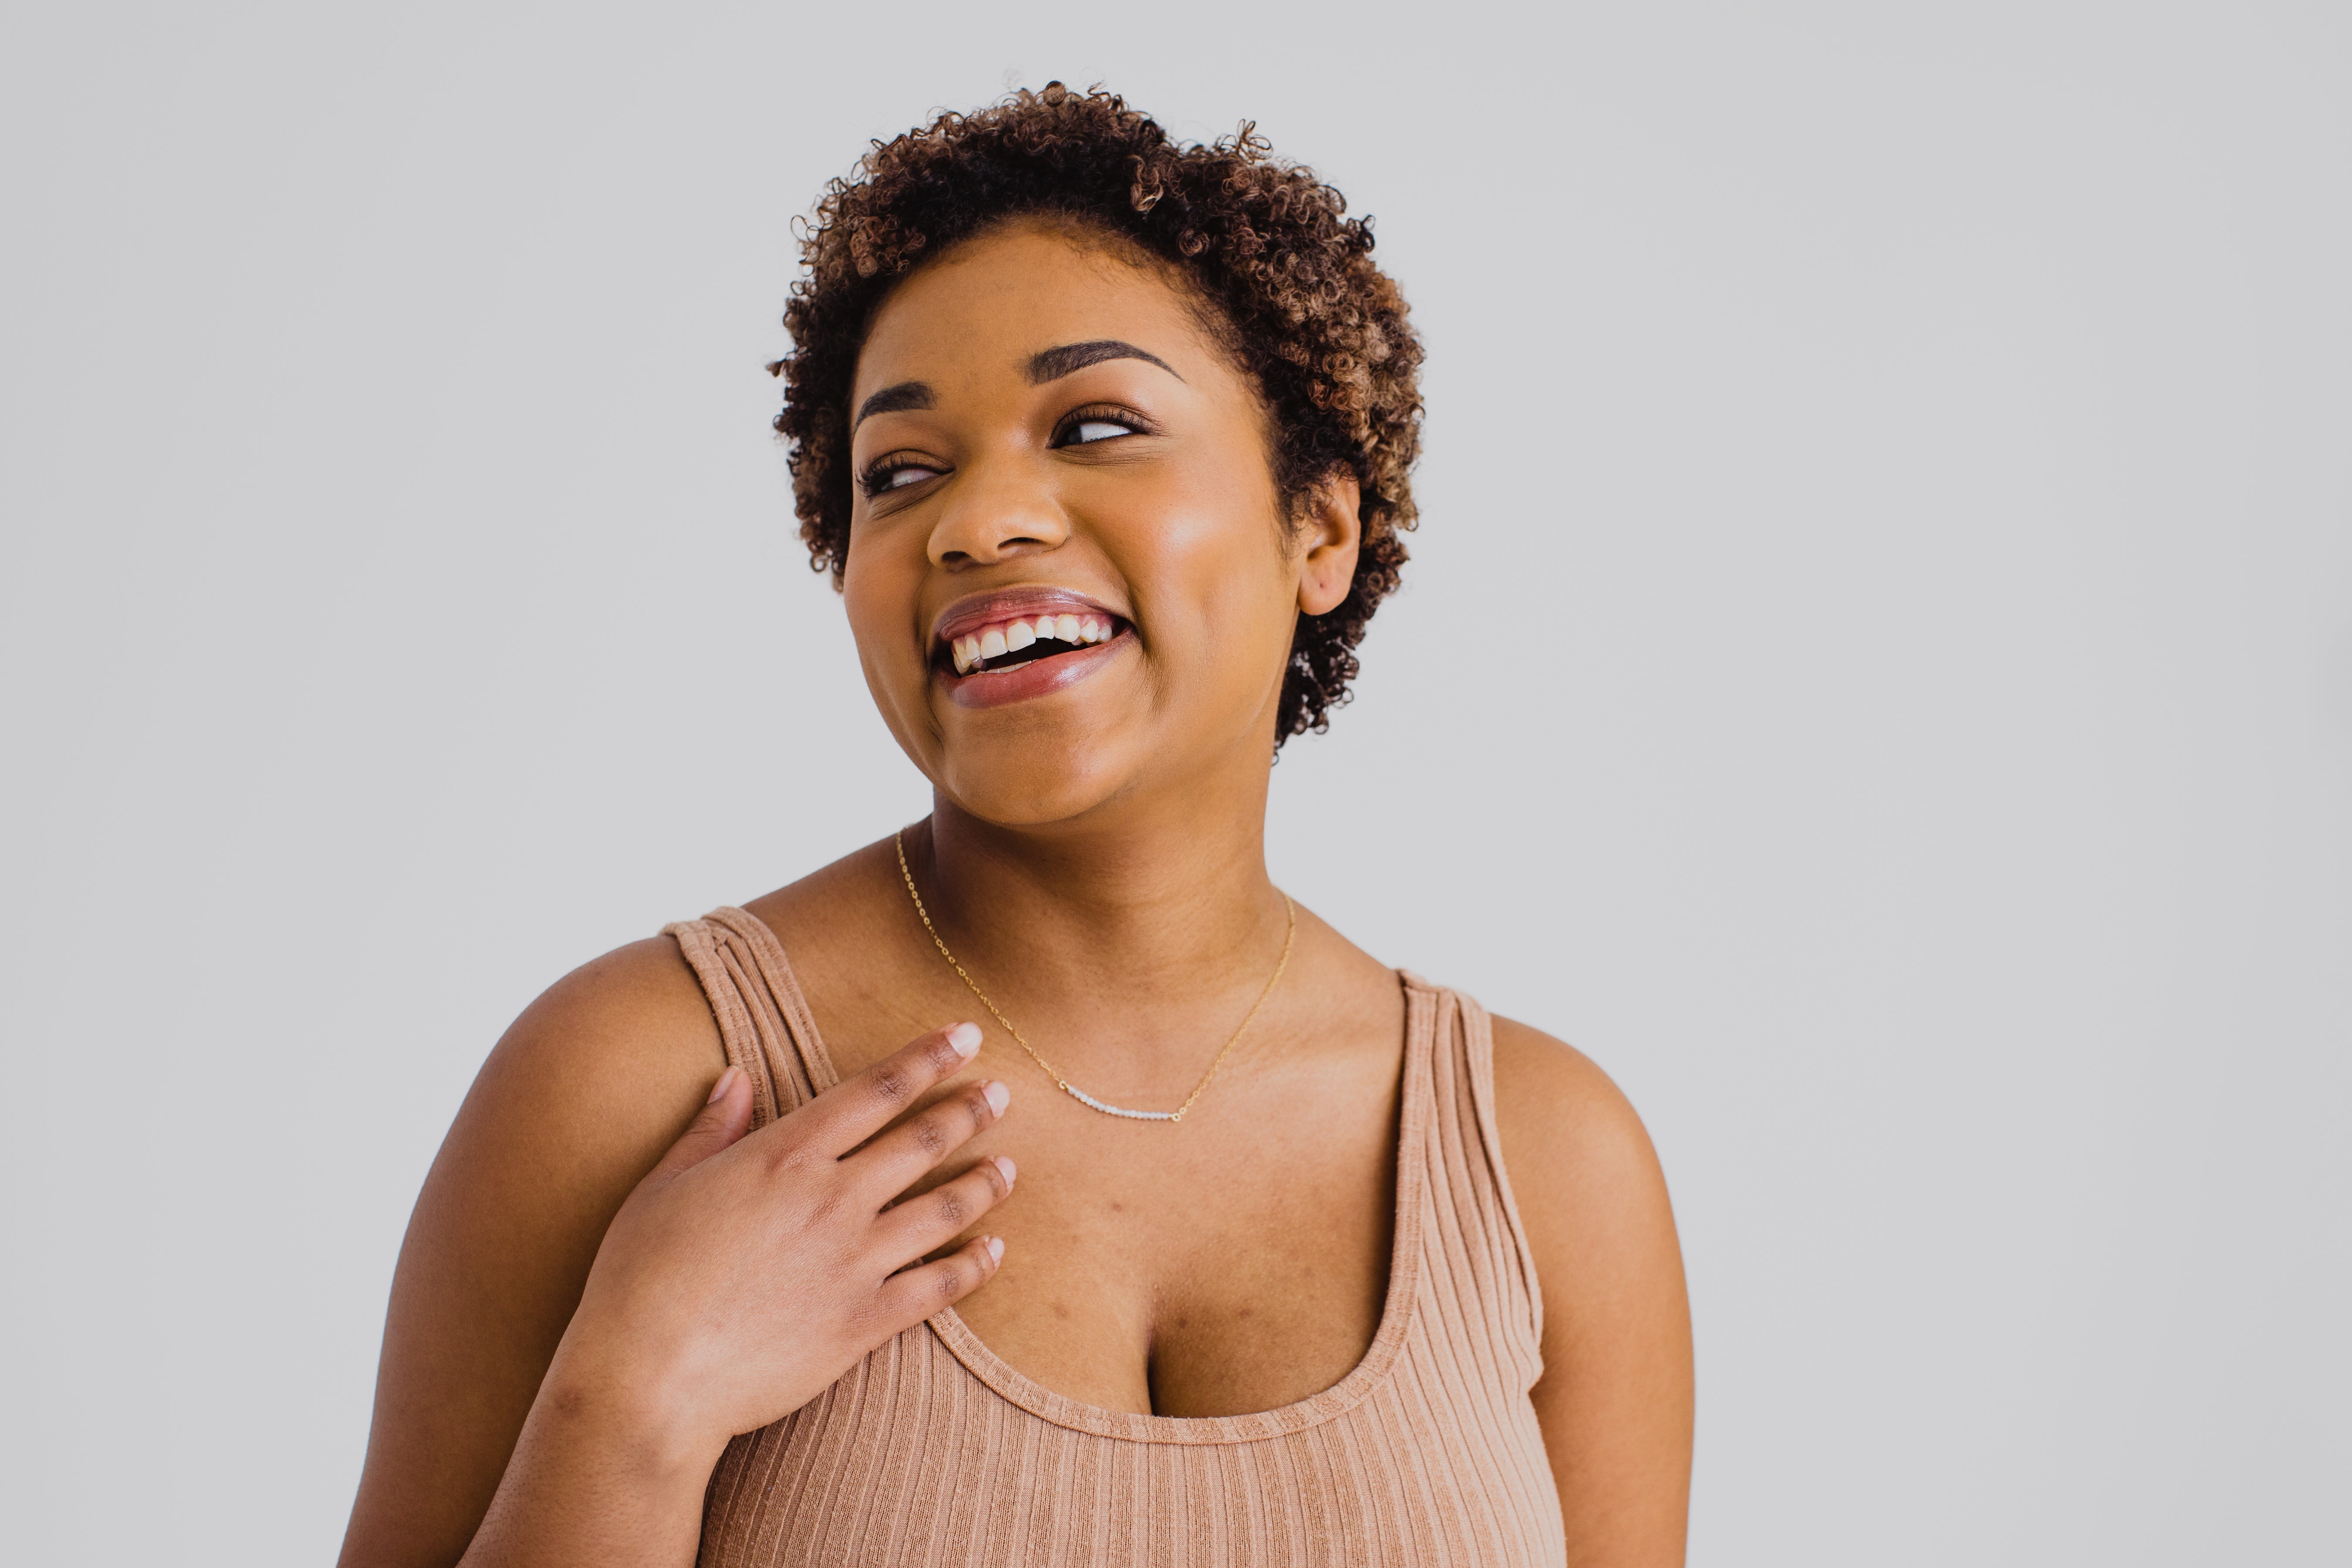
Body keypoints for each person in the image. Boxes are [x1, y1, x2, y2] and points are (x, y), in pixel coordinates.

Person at [338, 83, 1693, 1568]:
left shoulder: (1548, 1164)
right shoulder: (636, 1084)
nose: (978, 523)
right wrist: (634, 1402)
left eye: (1096, 426)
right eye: (902, 472)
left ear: (1319, 528)